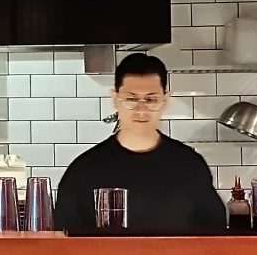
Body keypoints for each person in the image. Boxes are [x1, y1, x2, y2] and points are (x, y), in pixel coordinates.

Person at [55, 53, 228, 234]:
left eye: (151, 99)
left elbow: (215, 237)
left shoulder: (191, 166)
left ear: (165, 100)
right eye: (131, 99)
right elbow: (63, 245)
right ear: (115, 99)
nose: (141, 110)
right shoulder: (83, 172)